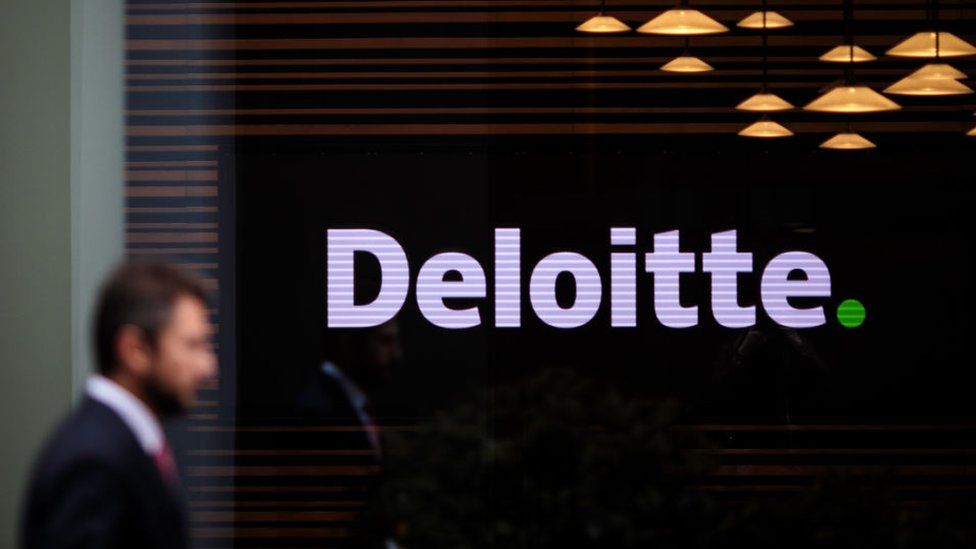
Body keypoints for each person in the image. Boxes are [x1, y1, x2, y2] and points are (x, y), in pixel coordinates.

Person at [20, 262, 216, 549]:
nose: (207, 367)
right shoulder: (92, 462)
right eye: (192, 345)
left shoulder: (119, 445)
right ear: (134, 350)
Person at [294, 318, 403, 462]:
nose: (397, 355)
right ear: (347, 343)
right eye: (385, 341)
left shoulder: (352, 406)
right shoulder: (316, 415)